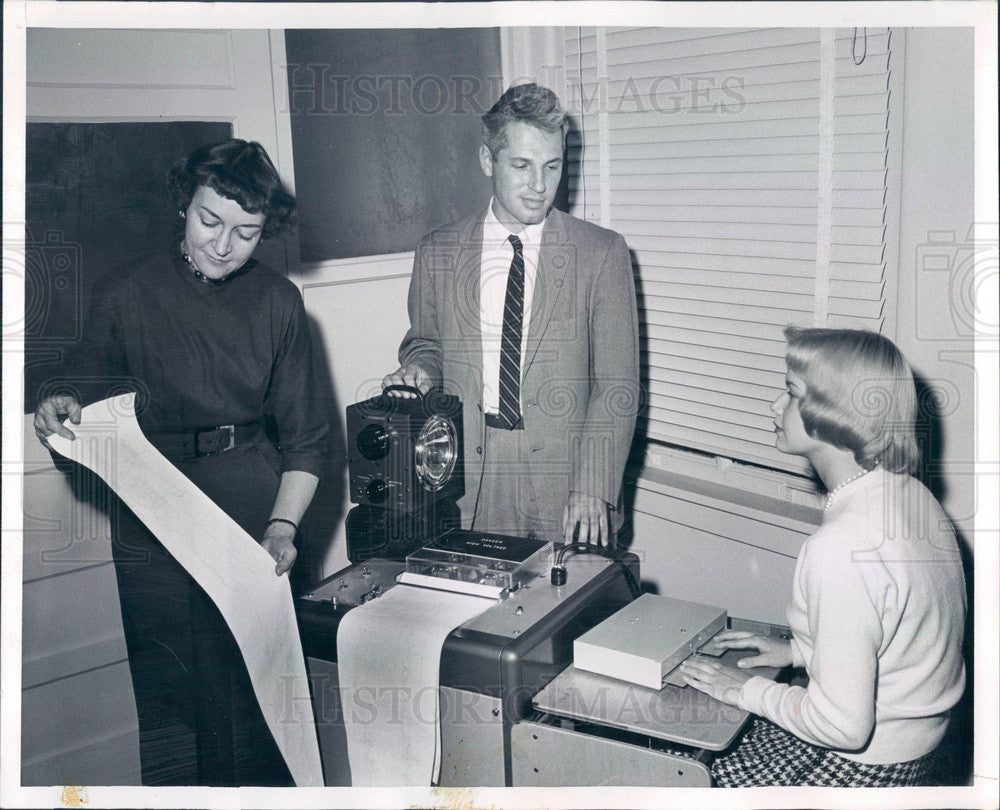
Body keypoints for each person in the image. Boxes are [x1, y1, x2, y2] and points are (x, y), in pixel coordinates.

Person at [33, 138, 329, 786]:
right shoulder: (124, 294)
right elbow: (78, 397)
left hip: (252, 501)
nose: (223, 245)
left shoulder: (280, 302)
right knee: (171, 701)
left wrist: (282, 528)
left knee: (258, 698)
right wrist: (58, 409)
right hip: (152, 509)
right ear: (182, 207)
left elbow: (307, 440)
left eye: (246, 232)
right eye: (209, 221)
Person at [679, 327, 966, 787]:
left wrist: (742, 688)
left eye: (790, 393)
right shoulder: (913, 498)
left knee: (681, 768)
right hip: (918, 752)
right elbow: (899, 636)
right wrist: (798, 650)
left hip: (863, 767)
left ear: (832, 410)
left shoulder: (841, 547)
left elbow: (842, 728)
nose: (775, 406)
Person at [382, 83, 640, 547]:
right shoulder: (438, 251)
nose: (540, 186)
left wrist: (593, 486)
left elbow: (617, 386)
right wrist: (420, 370)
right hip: (469, 476)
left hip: (569, 479)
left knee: (566, 614)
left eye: (552, 166)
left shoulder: (602, 253)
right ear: (488, 161)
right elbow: (426, 342)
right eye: (521, 166)